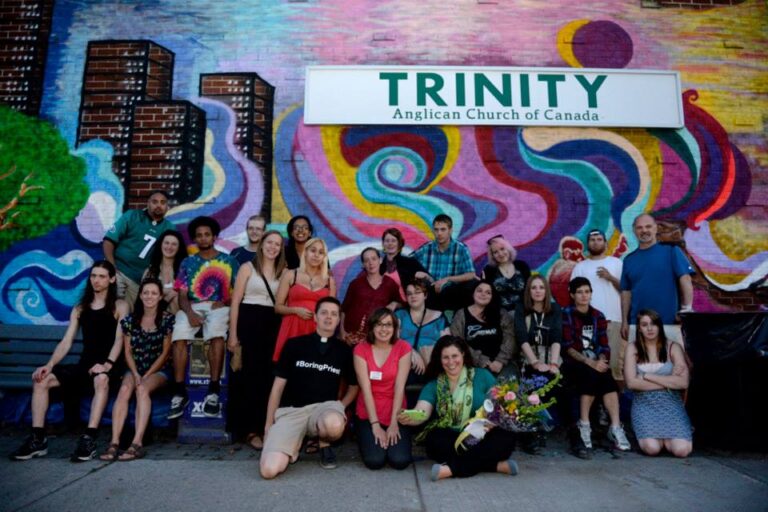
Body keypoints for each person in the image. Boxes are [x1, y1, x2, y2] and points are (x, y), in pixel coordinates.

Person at [10, 261, 128, 462]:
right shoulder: (80, 308)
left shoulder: (120, 305)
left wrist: (107, 365)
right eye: (93, 276)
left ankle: (89, 439)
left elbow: (120, 339)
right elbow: (67, 341)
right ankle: (38, 439)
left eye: (101, 276)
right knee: (41, 380)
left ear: (112, 279)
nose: (96, 280)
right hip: (85, 364)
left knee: (101, 379)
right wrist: (49, 365)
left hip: (111, 365)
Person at [260, 297, 359, 478]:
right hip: (292, 413)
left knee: (334, 424)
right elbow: (277, 388)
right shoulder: (294, 345)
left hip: (324, 411)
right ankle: (294, 444)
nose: (329, 318)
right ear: (315, 317)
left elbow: (354, 387)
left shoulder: (344, 351)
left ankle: (323, 442)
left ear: (338, 320)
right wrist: (268, 425)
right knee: (268, 470)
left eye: (334, 314)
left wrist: (340, 407)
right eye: (324, 313)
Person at [398, 336, 518, 481]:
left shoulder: (482, 376)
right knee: (435, 441)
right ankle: (495, 466)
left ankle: (450, 469)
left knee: (506, 436)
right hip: (452, 437)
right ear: (439, 360)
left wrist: (495, 420)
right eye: (445, 358)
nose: (451, 362)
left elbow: (501, 403)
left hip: (483, 435)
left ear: (463, 354)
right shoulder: (434, 385)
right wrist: (409, 416)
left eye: (454, 356)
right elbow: (422, 411)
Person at [168, 216, 239, 419]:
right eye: (198, 235)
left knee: (216, 332)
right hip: (193, 306)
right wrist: (189, 313)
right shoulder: (188, 262)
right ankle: (180, 391)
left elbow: (238, 291)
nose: (203, 238)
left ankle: (214, 390)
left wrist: (225, 302)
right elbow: (181, 294)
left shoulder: (229, 261)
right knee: (179, 334)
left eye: (207, 234)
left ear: (214, 236)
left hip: (219, 305)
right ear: (194, 239)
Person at [99, 278, 173, 461]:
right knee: (124, 390)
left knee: (141, 389)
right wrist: (136, 373)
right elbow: (127, 351)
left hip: (159, 370)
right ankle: (114, 442)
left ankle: (137, 443)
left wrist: (146, 375)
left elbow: (165, 353)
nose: (149, 296)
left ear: (160, 297)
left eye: (154, 293)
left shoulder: (167, 319)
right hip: (135, 368)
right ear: (140, 295)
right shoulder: (131, 320)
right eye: (146, 292)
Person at [227, 230, 286, 450]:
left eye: (277, 244)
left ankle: (265, 427)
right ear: (261, 245)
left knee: (267, 378)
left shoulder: (284, 272)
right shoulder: (247, 268)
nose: (273, 247)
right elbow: (235, 303)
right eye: (269, 242)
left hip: (272, 327)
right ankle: (248, 430)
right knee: (247, 377)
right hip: (248, 324)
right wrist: (232, 334)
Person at [562, 277, 631, 459]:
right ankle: (584, 424)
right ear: (572, 295)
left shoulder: (598, 315)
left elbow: (604, 345)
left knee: (607, 377)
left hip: (595, 363)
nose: (584, 295)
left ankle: (615, 427)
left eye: (587, 291)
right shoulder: (566, 313)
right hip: (574, 364)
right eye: (579, 292)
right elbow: (567, 346)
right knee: (591, 374)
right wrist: (591, 363)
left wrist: (601, 360)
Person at [624, 309, 692, 458]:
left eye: (653, 324)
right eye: (644, 324)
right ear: (639, 328)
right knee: (651, 449)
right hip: (645, 407)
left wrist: (646, 376)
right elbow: (631, 383)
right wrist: (668, 383)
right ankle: (659, 439)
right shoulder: (633, 348)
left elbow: (683, 382)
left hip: (671, 407)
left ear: (659, 326)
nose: (650, 328)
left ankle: (669, 439)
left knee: (682, 450)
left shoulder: (673, 347)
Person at [620, 214, 695, 344]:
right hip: (637, 325)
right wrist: (625, 321)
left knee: (673, 363)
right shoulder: (628, 260)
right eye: (639, 228)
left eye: (648, 226)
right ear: (634, 231)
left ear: (655, 228)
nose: (644, 230)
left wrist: (686, 309)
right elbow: (626, 293)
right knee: (638, 364)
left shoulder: (671, 251)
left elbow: (685, 279)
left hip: (668, 323)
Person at [353, 308, 412, 470]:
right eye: (379, 324)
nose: (384, 329)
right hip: (368, 412)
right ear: (372, 327)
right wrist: (375, 425)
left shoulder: (403, 348)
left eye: (388, 325)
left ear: (394, 329)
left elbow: (400, 388)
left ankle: (392, 435)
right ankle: (370, 434)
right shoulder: (360, 349)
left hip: (396, 409)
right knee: (375, 460)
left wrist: (394, 423)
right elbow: (365, 390)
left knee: (399, 460)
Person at [514, 275, 562, 454]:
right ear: (528, 291)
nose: (538, 291)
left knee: (549, 381)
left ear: (546, 290)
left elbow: (557, 336)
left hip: (551, 356)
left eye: (541, 287)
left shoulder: (555, 309)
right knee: (533, 384)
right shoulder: (522, 309)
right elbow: (521, 337)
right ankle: (532, 432)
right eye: (533, 287)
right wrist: (534, 361)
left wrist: (554, 364)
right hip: (529, 356)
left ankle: (540, 427)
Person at [103, 190, 175, 306]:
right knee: (110, 307)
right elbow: (108, 241)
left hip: (140, 280)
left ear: (167, 206)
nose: (158, 205)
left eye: (163, 202)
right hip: (119, 270)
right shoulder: (132, 216)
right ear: (148, 203)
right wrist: (112, 268)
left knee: (128, 314)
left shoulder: (169, 228)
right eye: (154, 202)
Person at [571, 229, 624, 384]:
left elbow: (626, 290)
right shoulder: (580, 267)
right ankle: (597, 406)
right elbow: (573, 294)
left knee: (614, 365)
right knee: (592, 364)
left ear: (605, 243)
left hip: (613, 320)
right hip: (588, 323)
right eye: (592, 240)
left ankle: (614, 404)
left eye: (599, 239)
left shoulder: (616, 263)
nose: (596, 242)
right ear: (588, 244)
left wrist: (610, 278)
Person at [273, 237, 336, 362]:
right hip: (293, 327)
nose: (316, 255)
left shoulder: (330, 281)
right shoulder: (291, 274)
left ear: (324, 257)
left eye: (321, 252)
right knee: (288, 369)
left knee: (313, 368)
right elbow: (278, 307)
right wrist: (296, 310)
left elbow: (332, 312)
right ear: (305, 252)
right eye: (313, 250)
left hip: (316, 329)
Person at [410, 214, 477, 311]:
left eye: (443, 229)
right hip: (431, 291)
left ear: (450, 230)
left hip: (453, 292)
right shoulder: (427, 248)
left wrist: (447, 279)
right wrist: (418, 272)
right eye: (436, 230)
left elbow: (471, 274)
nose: (439, 233)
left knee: (472, 285)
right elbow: (407, 262)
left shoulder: (461, 249)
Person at [450, 280, 516, 375]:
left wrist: (500, 361)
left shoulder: (501, 313)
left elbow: (510, 337)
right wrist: (482, 361)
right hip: (472, 364)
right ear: (473, 293)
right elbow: (458, 342)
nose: (483, 294)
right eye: (479, 291)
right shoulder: (461, 314)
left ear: (492, 296)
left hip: (501, 365)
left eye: (488, 292)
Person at [341, 247, 401, 345]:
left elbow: (401, 303)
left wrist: (394, 303)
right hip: (351, 337)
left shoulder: (390, 284)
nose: (371, 263)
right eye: (366, 260)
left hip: (375, 338)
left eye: (374, 259)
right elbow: (344, 309)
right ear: (363, 264)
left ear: (380, 260)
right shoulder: (355, 284)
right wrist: (342, 332)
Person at [394, 279, 448, 379]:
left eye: (417, 292)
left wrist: (429, 357)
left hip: (433, 362)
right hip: (405, 361)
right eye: (409, 294)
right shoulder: (400, 315)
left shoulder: (439, 316)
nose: (413, 296)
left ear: (425, 295)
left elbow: (448, 343)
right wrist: (411, 352)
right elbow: (393, 339)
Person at [481, 235, 531, 312]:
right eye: (495, 252)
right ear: (492, 256)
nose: (500, 254)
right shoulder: (488, 271)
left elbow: (530, 290)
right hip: (500, 315)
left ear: (508, 249)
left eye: (502, 249)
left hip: (523, 312)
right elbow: (486, 294)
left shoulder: (522, 266)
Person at [143, 229, 188, 314]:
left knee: (177, 298)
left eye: (174, 244)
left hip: (179, 318)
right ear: (161, 245)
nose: (169, 247)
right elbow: (144, 295)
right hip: (154, 315)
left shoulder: (184, 270)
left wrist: (167, 295)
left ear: (179, 248)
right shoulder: (150, 271)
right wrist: (169, 296)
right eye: (166, 243)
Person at [380, 227, 429, 301]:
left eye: (393, 241)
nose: (390, 243)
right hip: (384, 303)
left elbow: (429, 280)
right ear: (383, 244)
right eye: (387, 241)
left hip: (406, 304)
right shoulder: (379, 265)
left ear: (399, 244)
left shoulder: (410, 262)